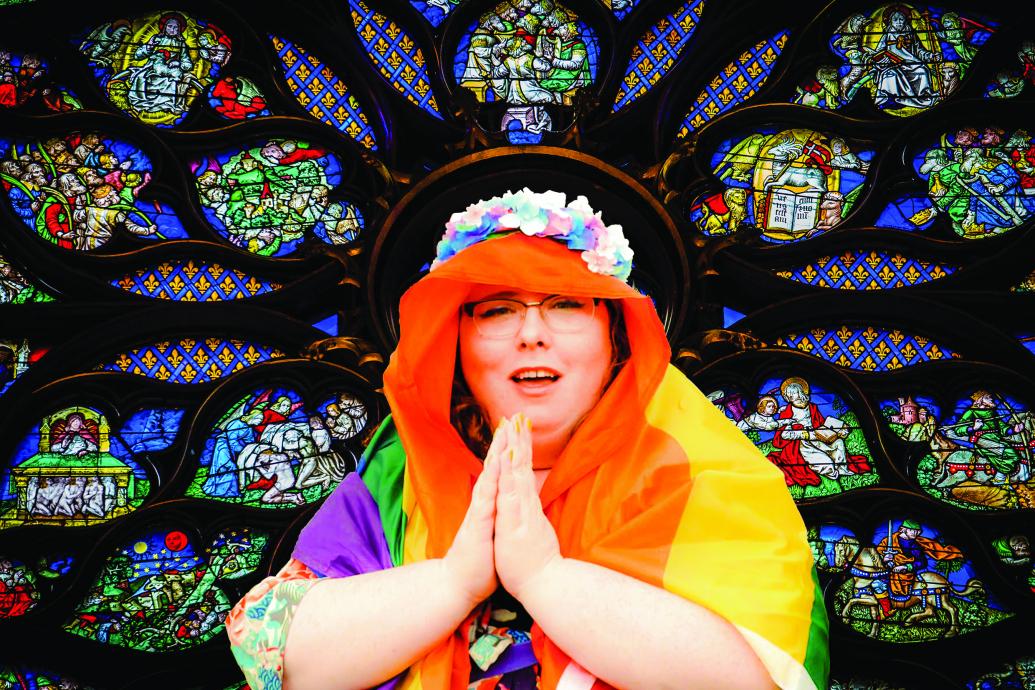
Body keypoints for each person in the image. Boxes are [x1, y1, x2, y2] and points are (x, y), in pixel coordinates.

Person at [227, 188, 828, 689]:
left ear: (615, 339)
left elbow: (755, 681)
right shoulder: (399, 472)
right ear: (455, 347)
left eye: (566, 304)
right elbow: (281, 658)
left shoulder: (695, 470)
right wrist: (456, 579)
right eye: (496, 310)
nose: (532, 335)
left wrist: (545, 577)